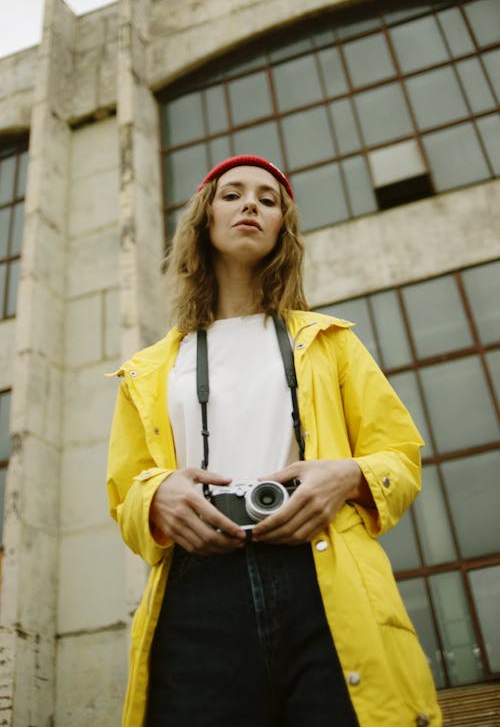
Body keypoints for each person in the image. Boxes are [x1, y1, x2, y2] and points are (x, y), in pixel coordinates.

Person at [106, 154, 441, 727]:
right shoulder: (150, 368)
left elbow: (400, 456)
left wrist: (349, 476)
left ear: (283, 225)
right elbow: (125, 490)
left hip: (320, 572)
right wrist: (157, 496)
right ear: (204, 219)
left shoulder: (331, 343)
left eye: (268, 199)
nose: (251, 206)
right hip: (199, 586)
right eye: (232, 194)